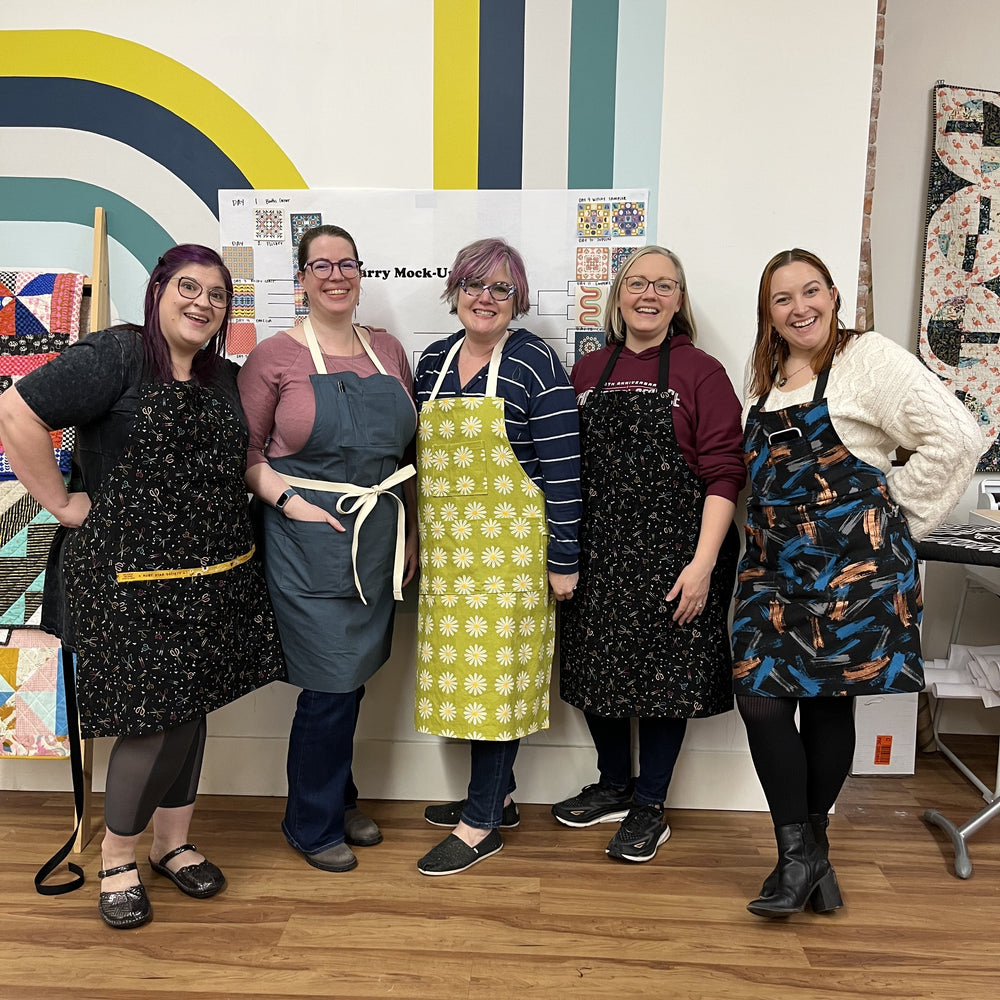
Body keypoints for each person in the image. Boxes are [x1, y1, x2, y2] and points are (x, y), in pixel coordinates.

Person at [0, 245, 286, 929]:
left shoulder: (224, 377)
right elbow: (17, 412)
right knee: (148, 723)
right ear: (159, 289)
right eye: (189, 287)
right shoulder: (118, 355)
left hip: (212, 578)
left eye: (217, 294)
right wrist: (66, 505)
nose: (202, 303)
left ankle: (171, 843)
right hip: (126, 582)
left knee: (192, 711)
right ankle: (119, 859)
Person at [732, 248, 985, 918]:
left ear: (834, 294)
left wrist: (893, 509)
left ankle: (799, 859)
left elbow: (958, 437)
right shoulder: (763, 373)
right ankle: (809, 857)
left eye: (810, 291)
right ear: (769, 314)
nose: (799, 308)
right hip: (772, 567)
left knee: (825, 705)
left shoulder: (867, 359)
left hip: (854, 570)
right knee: (758, 696)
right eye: (782, 299)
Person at [552, 246, 745, 862]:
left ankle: (650, 804)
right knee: (596, 674)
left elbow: (724, 473)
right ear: (618, 297)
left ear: (679, 301)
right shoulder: (585, 371)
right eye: (637, 283)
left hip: (677, 554)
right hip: (599, 550)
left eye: (664, 285)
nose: (648, 294)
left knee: (667, 684)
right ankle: (613, 785)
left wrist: (703, 565)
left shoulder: (702, 372)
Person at [238, 225, 417, 874]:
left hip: (377, 538)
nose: (336, 275)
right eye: (322, 265)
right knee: (329, 686)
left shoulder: (390, 351)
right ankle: (309, 823)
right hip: (306, 542)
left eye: (347, 263)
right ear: (302, 277)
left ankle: (337, 800)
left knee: (354, 679)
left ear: (360, 272)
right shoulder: (274, 357)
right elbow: (247, 455)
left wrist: (413, 531)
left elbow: (407, 453)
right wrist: (292, 504)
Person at [414, 237, 581, 875]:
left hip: (512, 560)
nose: (486, 298)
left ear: (519, 300)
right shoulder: (432, 362)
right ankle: (498, 796)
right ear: (455, 290)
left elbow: (564, 473)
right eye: (474, 285)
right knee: (467, 690)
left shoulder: (534, 363)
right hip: (452, 556)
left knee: (495, 691)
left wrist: (564, 560)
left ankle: (479, 823)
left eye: (501, 288)